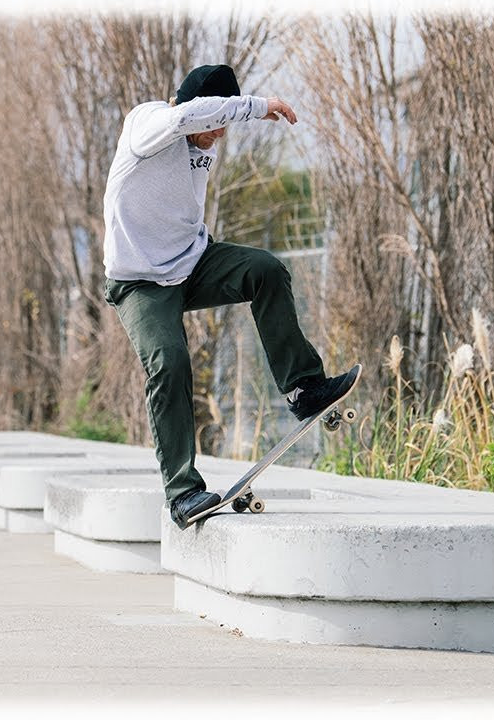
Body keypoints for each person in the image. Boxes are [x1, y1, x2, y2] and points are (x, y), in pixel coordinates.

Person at [102, 64, 355, 530]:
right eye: (214, 123)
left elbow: (195, 145)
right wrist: (258, 106)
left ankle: (303, 387)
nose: (217, 134)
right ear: (192, 108)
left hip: (193, 263)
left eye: (223, 127)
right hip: (138, 282)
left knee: (265, 270)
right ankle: (182, 493)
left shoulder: (203, 142)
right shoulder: (148, 122)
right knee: (170, 361)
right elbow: (187, 117)